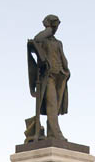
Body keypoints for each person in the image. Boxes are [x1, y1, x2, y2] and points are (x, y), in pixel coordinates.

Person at [26, 14, 70, 142]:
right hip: (48, 76)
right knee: (51, 103)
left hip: (60, 76)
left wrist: (66, 71)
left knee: (56, 107)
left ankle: (52, 132)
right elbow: (35, 41)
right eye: (54, 25)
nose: (56, 28)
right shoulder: (43, 40)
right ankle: (56, 133)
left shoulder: (58, 42)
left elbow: (62, 57)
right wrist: (48, 30)